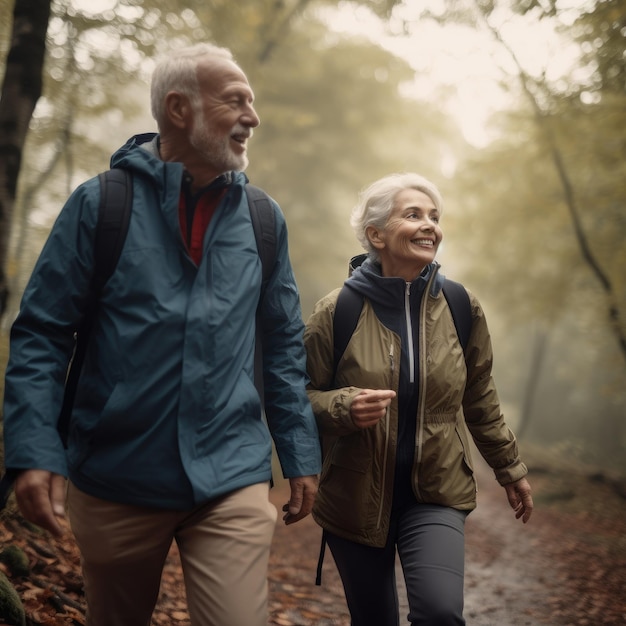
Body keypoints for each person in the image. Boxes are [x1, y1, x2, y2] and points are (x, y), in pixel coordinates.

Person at [2, 43, 321, 626]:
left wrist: (299, 451)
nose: (252, 116)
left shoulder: (262, 218)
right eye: (236, 101)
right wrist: (33, 450)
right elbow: (43, 336)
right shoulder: (102, 205)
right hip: (116, 473)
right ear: (179, 109)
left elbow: (280, 345)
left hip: (232, 472)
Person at [304, 172, 533, 626]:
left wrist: (510, 468)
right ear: (376, 234)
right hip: (354, 491)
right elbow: (298, 397)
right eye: (413, 214)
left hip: (437, 491)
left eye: (434, 216)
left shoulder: (462, 307)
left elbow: (481, 398)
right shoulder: (338, 311)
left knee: (441, 613)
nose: (430, 225)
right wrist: (343, 406)